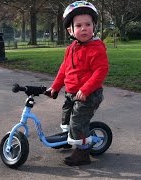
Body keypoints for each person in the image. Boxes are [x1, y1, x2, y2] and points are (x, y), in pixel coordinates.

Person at [47, 1, 109, 166]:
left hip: (89, 94)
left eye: (88, 24)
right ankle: (70, 139)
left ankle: (82, 153)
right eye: (79, 25)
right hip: (71, 93)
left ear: (94, 26)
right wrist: (55, 86)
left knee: (78, 121)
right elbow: (63, 70)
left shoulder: (97, 48)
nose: (84, 28)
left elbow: (100, 72)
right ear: (71, 30)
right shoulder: (71, 48)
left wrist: (86, 89)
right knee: (66, 117)